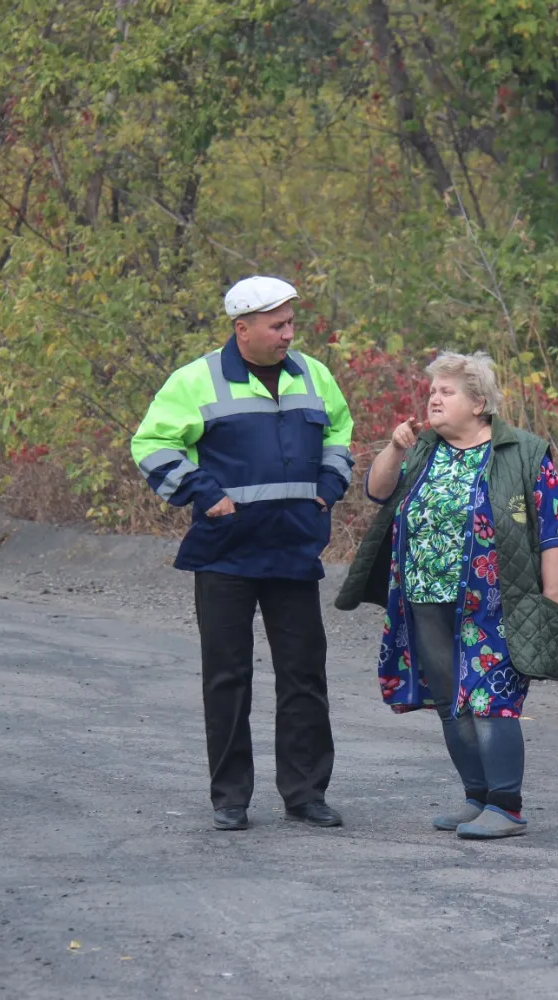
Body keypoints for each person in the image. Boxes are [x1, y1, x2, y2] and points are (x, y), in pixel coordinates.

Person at [131, 275, 354, 832]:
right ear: (243, 328)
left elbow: (340, 433)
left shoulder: (313, 374)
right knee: (227, 677)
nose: (288, 334)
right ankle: (230, 798)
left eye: (290, 323)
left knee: (304, 676)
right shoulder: (196, 379)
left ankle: (305, 793)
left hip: (294, 549)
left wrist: (330, 485)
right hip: (225, 553)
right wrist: (204, 494)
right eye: (277, 325)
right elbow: (151, 444)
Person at [335, 351, 558, 840]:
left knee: (491, 699)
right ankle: (477, 797)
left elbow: (554, 527)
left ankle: (507, 806)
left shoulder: (524, 452)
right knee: (451, 700)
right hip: (425, 594)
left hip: (496, 598)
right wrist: (395, 449)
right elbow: (378, 492)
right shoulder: (423, 448)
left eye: (447, 392)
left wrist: (554, 595)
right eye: (432, 392)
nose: (435, 399)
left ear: (480, 403)